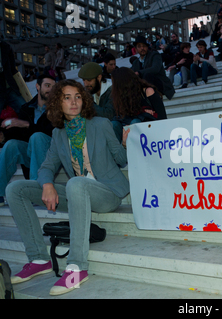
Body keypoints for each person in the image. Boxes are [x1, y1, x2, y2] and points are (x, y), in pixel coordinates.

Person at [6, 79, 129, 296]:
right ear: (58, 103)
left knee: (75, 183)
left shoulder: (101, 124)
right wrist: (47, 184)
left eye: (78, 96)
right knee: (16, 190)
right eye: (67, 97)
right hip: (77, 192)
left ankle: (77, 267)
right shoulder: (59, 134)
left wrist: (125, 144)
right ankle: (38, 258)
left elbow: (121, 159)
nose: (74, 102)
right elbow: (46, 166)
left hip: (107, 192)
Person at [0, 74, 56, 207]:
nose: (50, 90)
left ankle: (35, 192)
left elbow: (49, 132)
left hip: (50, 154)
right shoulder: (26, 109)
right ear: (37, 87)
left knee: (37, 137)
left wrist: (26, 125)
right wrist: (4, 135)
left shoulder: (57, 109)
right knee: (11, 145)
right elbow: (21, 134)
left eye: (53, 87)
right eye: (47, 86)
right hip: (32, 152)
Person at [111, 67, 167, 143]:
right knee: (114, 124)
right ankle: (120, 152)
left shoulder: (147, 91)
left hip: (150, 129)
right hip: (129, 126)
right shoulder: (120, 97)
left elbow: (162, 117)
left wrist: (144, 114)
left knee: (135, 123)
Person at [131, 35, 175, 100]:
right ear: (136, 49)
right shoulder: (135, 63)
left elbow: (155, 69)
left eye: (144, 46)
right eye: (139, 47)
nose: (142, 48)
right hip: (146, 88)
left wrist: (139, 72)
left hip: (160, 85)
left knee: (147, 75)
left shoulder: (155, 55)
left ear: (147, 47)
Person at [0, 39, 26, 114]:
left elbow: (13, 69)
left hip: (9, 87)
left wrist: (19, 86)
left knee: (25, 111)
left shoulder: (6, 47)